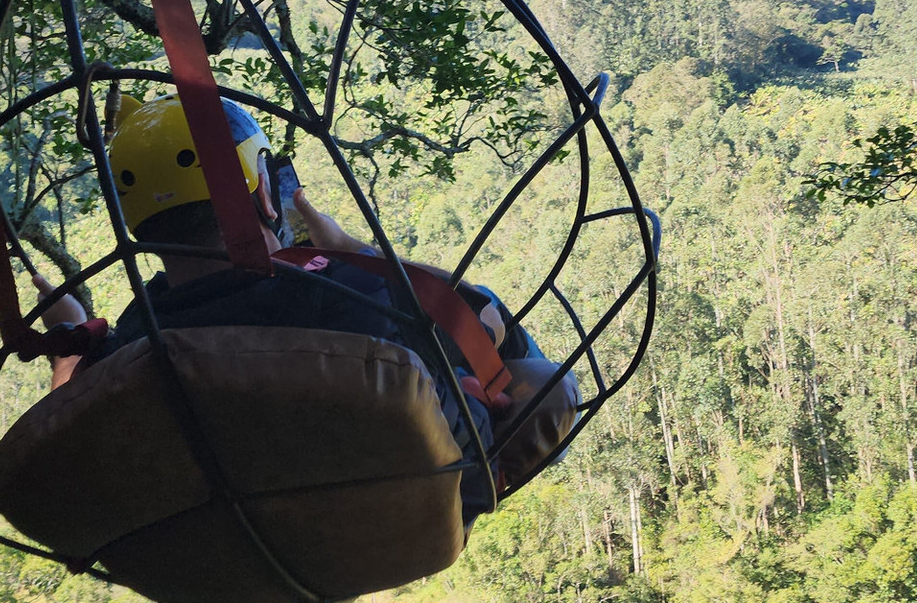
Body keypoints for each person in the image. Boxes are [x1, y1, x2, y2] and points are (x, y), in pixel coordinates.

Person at [36, 93, 579, 515]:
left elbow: (75, 408)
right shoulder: (356, 298)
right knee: (542, 381)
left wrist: (74, 340)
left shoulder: (133, 344)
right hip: (398, 520)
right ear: (264, 195)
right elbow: (485, 338)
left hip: (242, 539)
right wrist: (356, 254)